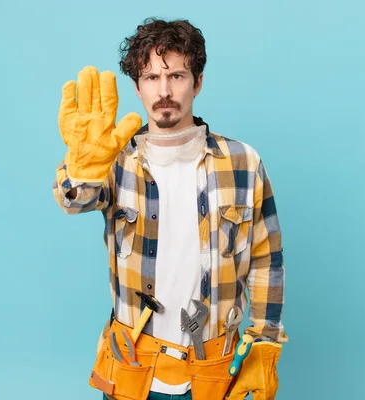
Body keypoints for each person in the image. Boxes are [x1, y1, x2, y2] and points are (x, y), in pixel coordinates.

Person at [53, 18, 288, 400]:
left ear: (197, 82)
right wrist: (81, 170)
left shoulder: (243, 162)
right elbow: (71, 199)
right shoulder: (114, 161)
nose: (164, 91)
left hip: (215, 373)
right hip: (132, 368)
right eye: (150, 78)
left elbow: (266, 259)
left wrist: (265, 341)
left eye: (177, 76)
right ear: (137, 87)